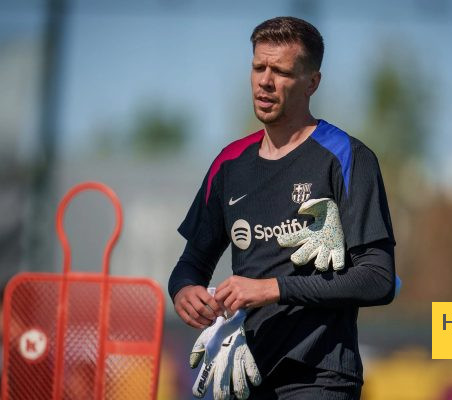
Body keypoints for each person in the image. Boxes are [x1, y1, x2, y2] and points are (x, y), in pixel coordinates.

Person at [168, 16, 397, 399]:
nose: (265, 81)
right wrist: (184, 291)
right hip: (243, 373)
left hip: (319, 376)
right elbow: (191, 262)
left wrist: (270, 289)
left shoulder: (346, 157)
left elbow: (378, 278)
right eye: (258, 67)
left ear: (312, 82)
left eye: (281, 71)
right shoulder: (230, 163)